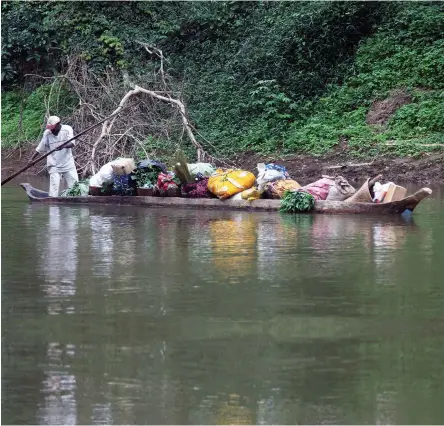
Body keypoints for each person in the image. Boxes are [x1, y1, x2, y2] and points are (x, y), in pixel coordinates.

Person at [29, 116, 79, 197]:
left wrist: (63, 146)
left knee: (75, 187)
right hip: (54, 164)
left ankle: (77, 200)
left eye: (53, 128)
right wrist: (32, 159)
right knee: (54, 188)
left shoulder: (67, 129)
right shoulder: (47, 133)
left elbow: (72, 143)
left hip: (67, 162)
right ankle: (53, 203)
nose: (51, 130)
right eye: (50, 128)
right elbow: (40, 147)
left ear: (58, 124)